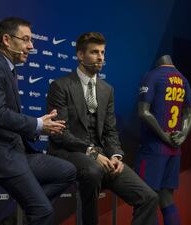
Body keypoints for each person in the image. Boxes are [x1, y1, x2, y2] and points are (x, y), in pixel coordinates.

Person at [0, 17, 77, 225]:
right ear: (7, 40)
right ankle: (34, 211)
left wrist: (37, 125)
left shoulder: (5, 68)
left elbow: (6, 117)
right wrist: (38, 124)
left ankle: (28, 212)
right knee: (43, 212)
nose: (31, 46)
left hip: (14, 151)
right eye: (25, 40)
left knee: (67, 171)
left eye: (31, 40)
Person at [46, 32, 158, 225]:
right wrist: (91, 152)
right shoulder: (60, 86)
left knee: (149, 197)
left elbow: (110, 131)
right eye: (94, 52)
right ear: (80, 55)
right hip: (69, 152)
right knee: (93, 171)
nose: (100, 57)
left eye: (103, 52)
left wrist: (116, 156)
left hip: (102, 156)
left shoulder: (107, 89)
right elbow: (60, 133)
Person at [136, 55, 191, 225]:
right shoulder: (183, 79)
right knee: (167, 198)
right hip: (175, 150)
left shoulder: (153, 75)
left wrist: (164, 136)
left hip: (153, 149)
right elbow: (190, 114)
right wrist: (182, 135)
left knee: (146, 199)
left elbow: (143, 112)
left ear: (159, 62)